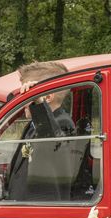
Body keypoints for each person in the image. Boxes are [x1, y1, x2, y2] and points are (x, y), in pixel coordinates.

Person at [6, 61, 76, 200]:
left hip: (41, 207)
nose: (23, 102)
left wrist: (37, 102)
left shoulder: (64, 124)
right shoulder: (34, 123)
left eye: (27, 96)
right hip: (21, 205)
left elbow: (51, 141)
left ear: (47, 98)